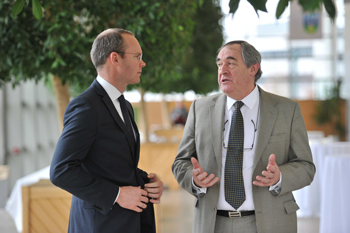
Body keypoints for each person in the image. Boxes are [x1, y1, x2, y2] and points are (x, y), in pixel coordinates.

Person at [172, 40, 315, 233]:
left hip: (271, 223)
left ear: (253, 68)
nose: (222, 70)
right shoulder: (200, 109)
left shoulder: (286, 110)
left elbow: (306, 167)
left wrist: (280, 176)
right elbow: (180, 162)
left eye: (230, 63)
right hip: (213, 223)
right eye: (219, 64)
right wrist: (193, 178)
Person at [50, 28, 164, 233]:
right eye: (138, 56)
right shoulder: (86, 106)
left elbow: (110, 163)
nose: (143, 63)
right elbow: (61, 170)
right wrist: (117, 194)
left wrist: (147, 182)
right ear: (115, 58)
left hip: (129, 221)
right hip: (99, 225)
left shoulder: (125, 105)